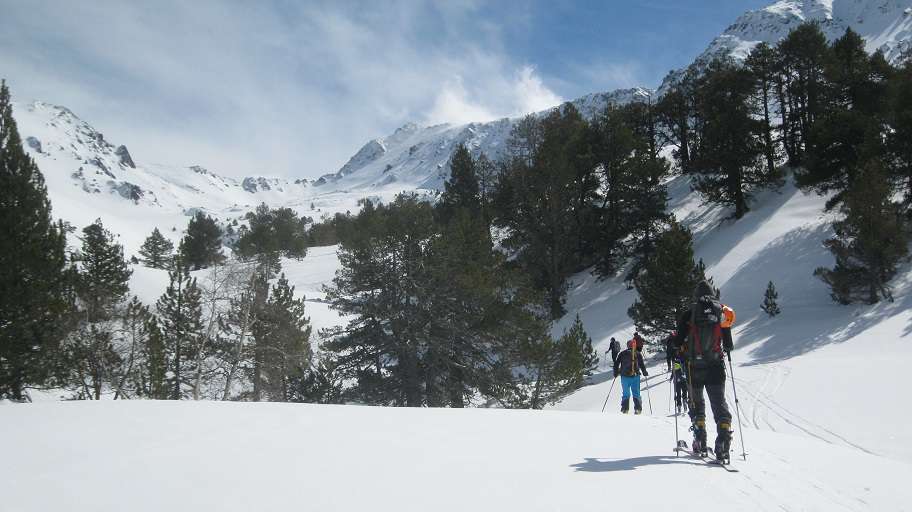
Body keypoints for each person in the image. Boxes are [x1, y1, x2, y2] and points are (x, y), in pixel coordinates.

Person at [672, 280, 735, 461]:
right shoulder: (721, 313)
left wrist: (679, 346)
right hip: (715, 366)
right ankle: (723, 441)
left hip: (695, 367)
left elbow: (677, 342)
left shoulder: (689, 314)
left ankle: (700, 438)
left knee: (696, 403)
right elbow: (729, 345)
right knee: (719, 402)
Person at [613, 338, 648, 414]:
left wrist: (615, 373)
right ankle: (638, 409)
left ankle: (625, 409)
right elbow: (641, 364)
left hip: (624, 376)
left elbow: (616, 364)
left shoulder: (622, 353)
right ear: (634, 345)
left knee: (626, 393)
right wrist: (644, 372)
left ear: (628, 345)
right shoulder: (638, 353)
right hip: (635, 376)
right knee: (636, 393)